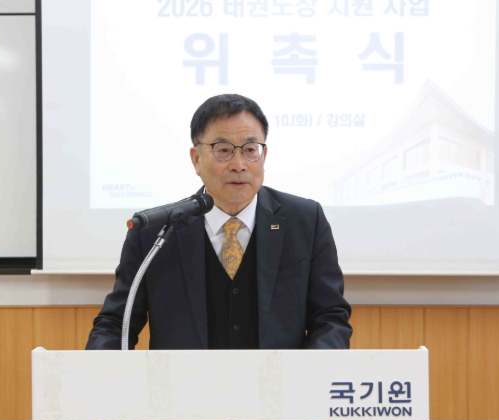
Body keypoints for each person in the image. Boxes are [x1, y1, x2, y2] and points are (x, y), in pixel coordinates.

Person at [86, 94, 352, 350]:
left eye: (250, 150)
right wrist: (100, 371)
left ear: (264, 156)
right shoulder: (155, 232)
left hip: (281, 380)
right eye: (223, 150)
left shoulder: (304, 220)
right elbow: (116, 324)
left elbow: (330, 317)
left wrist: (314, 373)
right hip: (183, 381)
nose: (239, 164)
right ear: (196, 159)